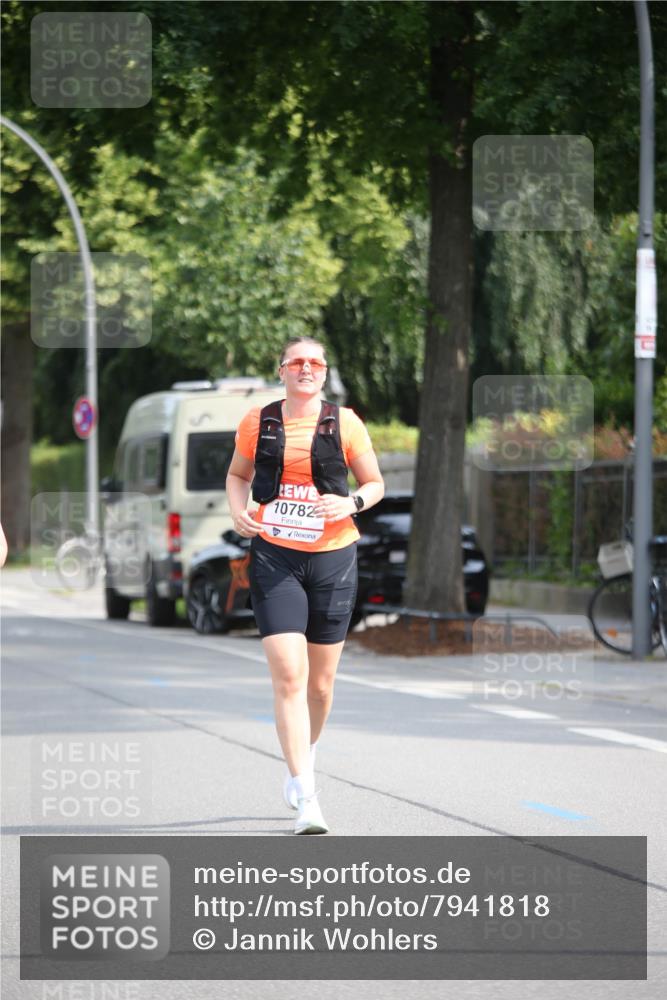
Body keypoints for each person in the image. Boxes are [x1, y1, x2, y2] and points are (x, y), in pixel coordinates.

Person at [226, 337, 384, 834]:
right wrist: (239, 512)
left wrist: (352, 503)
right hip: (275, 557)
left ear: (324, 371)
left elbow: (375, 484)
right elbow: (237, 474)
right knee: (290, 678)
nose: (306, 369)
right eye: (297, 362)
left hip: (334, 559)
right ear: (282, 371)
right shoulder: (258, 422)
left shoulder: (347, 422)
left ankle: (305, 755)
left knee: (320, 684)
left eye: (315, 362)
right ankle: (306, 797)